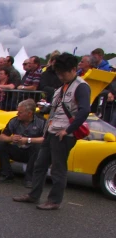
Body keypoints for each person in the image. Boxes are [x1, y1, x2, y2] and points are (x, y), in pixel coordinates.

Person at [13, 53, 90, 210]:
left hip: (64, 134)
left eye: (63, 73)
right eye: (59, 73)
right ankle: (34, 195)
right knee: (40, 164)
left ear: (73, 69)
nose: (61, 76)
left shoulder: (81, 86)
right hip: (51, 130)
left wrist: (68, 130)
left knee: (58, 168)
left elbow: (84, 111)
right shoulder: (62, 87)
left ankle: (54, 200)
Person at [0, 99, 45, 184]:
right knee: (1, 145)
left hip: (32, 152)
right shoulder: (14, 121)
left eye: (20, 112)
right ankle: (7, 175)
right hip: (18, 149)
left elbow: (45, 139)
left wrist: (28, 140)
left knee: (38, 147)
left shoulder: (41, 122)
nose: (18, 114)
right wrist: (11, 138)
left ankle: (29, 179)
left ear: (29, 113)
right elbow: (2, 137)